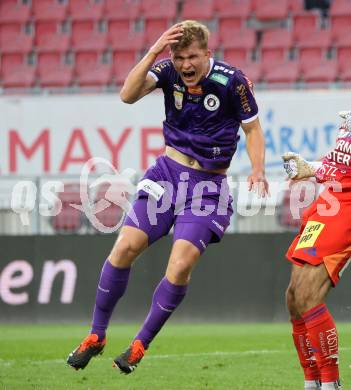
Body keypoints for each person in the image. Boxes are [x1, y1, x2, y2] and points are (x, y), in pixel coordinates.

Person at [67, 20, 268, 374]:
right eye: (179, 57)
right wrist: (153, 52)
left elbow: (252, 129)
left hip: (208, 187)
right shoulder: (167, 70)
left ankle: (139, 344)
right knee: (124, 247)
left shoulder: (232, 82)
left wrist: (257, 170)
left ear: (208, 53)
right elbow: (127, 94)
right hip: (167, 174)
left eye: (192, 56)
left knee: (179, 265)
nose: (185, 65)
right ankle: (95, 336)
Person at [282, 111, 351, 390]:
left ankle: (330, 383)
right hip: (328, 202)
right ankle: (312, 381)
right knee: (294, 298)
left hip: (346, 207)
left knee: (309, 295)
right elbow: (341, 165)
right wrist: (310, 167)